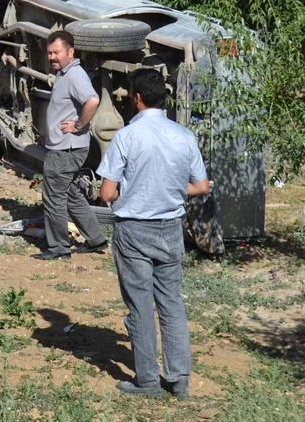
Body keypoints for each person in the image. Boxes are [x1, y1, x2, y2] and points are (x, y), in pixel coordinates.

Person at [98, 68, 209, 399]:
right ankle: (179, 379)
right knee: (171, 302)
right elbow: (201, 185)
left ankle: (147, 380)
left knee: (140, 305)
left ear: (137, 98)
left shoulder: (127, 136)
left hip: (134, 229)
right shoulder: (184, 136)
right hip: (170, 228)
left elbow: (106, 193)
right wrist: (172, 191)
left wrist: (131, 192)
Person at [37, 31, 109, 260]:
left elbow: (93, 100)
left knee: (54, 198)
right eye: (49, 53)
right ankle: (96, 239)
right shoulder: (65, 73)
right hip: (67, 147)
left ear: (70, 52)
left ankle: (59, 248)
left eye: (56, 52)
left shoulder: (75, 75)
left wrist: (78, 125)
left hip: (65, 149)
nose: (52, 57)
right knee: (71, 194)